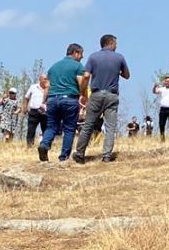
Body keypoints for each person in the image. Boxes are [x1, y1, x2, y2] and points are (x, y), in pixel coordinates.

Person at [74, 34, 130, 164]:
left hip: (96, 94)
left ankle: (80, 153)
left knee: (88, 125)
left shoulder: (93, 57)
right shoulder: (119, 57)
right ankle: (106, 155)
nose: (116, 46)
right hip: (112, 95)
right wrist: (118, 71)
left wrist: (82, 92)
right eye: (115, 43)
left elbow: (86, 75)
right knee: (110, 127)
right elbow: (127, 75)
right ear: (110, 43)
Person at [38, 43, 86, 163]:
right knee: (69, 129)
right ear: (75, 53)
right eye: (81, 54)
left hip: (53, 99)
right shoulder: (78, 66)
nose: (82, 57)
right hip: (69, 99)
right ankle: (63, 157)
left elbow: (47, 85)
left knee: (51, 126)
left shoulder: (54, 67)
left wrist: (45, 100)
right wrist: (83, 95)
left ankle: (44, 144)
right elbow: (81, 83)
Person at [22, 73, 49, 146]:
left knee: (46, 129)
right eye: (45, 79)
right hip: (34, 111)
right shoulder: (33, 87)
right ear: (40, 79)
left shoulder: (50, 89)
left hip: (45, 112)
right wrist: (25, 107)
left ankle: (45, 145)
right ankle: (29, 145)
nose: (46, 81)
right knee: (31, 129)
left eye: (47, 79)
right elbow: (26, 97)